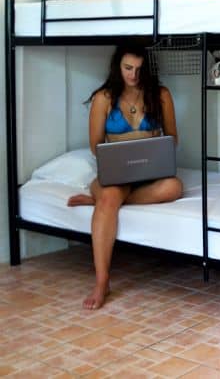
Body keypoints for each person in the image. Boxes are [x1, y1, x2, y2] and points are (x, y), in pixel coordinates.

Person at [67, 45, 182, 309]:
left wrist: (154, 149)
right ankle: (102, 282)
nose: (133, 75)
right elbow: (96, 145)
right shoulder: (104, 98)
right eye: (128, 68)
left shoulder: (161, 95)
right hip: (117, 172)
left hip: (149, 171)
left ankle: (100, 200)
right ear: (117, 67)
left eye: (139, 69)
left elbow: (173, 138)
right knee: (109, 197)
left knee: (174, 187)